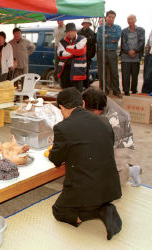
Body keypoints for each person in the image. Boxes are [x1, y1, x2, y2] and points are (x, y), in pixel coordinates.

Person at [49, 87, 122, 240]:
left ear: (62, 108)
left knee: (59, 211)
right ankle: (101, 206)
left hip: (86, 186)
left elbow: (55, 159)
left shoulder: (63, 128)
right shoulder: (104, 120)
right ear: (82, 103)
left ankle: (98, 212)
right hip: (110, 185)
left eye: (61, 110)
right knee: (86, 193)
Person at [82, 87, 141, 186]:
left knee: (113, 185)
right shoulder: (91, 98)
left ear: (102, 108)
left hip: (121, 143)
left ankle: (131, 171)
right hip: (100, 133)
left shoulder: (117, 120)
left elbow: (108, 148)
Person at [97, 10, 122, 97]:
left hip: (112, 52)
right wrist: (111, 38)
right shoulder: (101, 28)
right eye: (109, 17)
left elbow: (117, 38)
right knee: (102, 72)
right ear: (105, 18)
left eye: (113, 17)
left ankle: (116, 91)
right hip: (102, 52)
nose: (111, 19)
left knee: (114, 72)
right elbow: (100, 40)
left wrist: (108, 35)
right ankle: (104, 91)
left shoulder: (117, 28)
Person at [57, 23, 87, 92]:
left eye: (71, 31)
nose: (70, 33)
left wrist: (67, 49)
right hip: (65, 71)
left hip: (78, 71)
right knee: (65, 91)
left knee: (77, 92)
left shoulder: (82, 39)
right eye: (68, 32)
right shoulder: (62, 41)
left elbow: (81, 51)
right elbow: (60, 54)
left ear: (75, 31)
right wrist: (74, 51)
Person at [120, 15, 145, 96]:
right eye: (129, 19)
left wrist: (134, 51)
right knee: (125, 75)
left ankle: (134, 90)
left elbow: (141, 42)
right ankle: (126, 91)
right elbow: (123, 43)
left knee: (135, 75)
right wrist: (129, 51)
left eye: (132, 19)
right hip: (125, 57)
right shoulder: (124, 31)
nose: (130, 21)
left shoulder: (141, 30)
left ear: (135, 20)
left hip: (136, 57)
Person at [77, 19, 97, 89]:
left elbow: (93, 47)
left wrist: (89, 56)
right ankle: (79, 86)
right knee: (78, 71)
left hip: (87, 57)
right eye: (85, 23)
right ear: (82, 24)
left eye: (87, 23)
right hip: (79, 56)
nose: (86, 24)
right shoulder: (78, 32)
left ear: (89, 24)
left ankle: (86, 86)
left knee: (86, 71)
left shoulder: (92, 33)